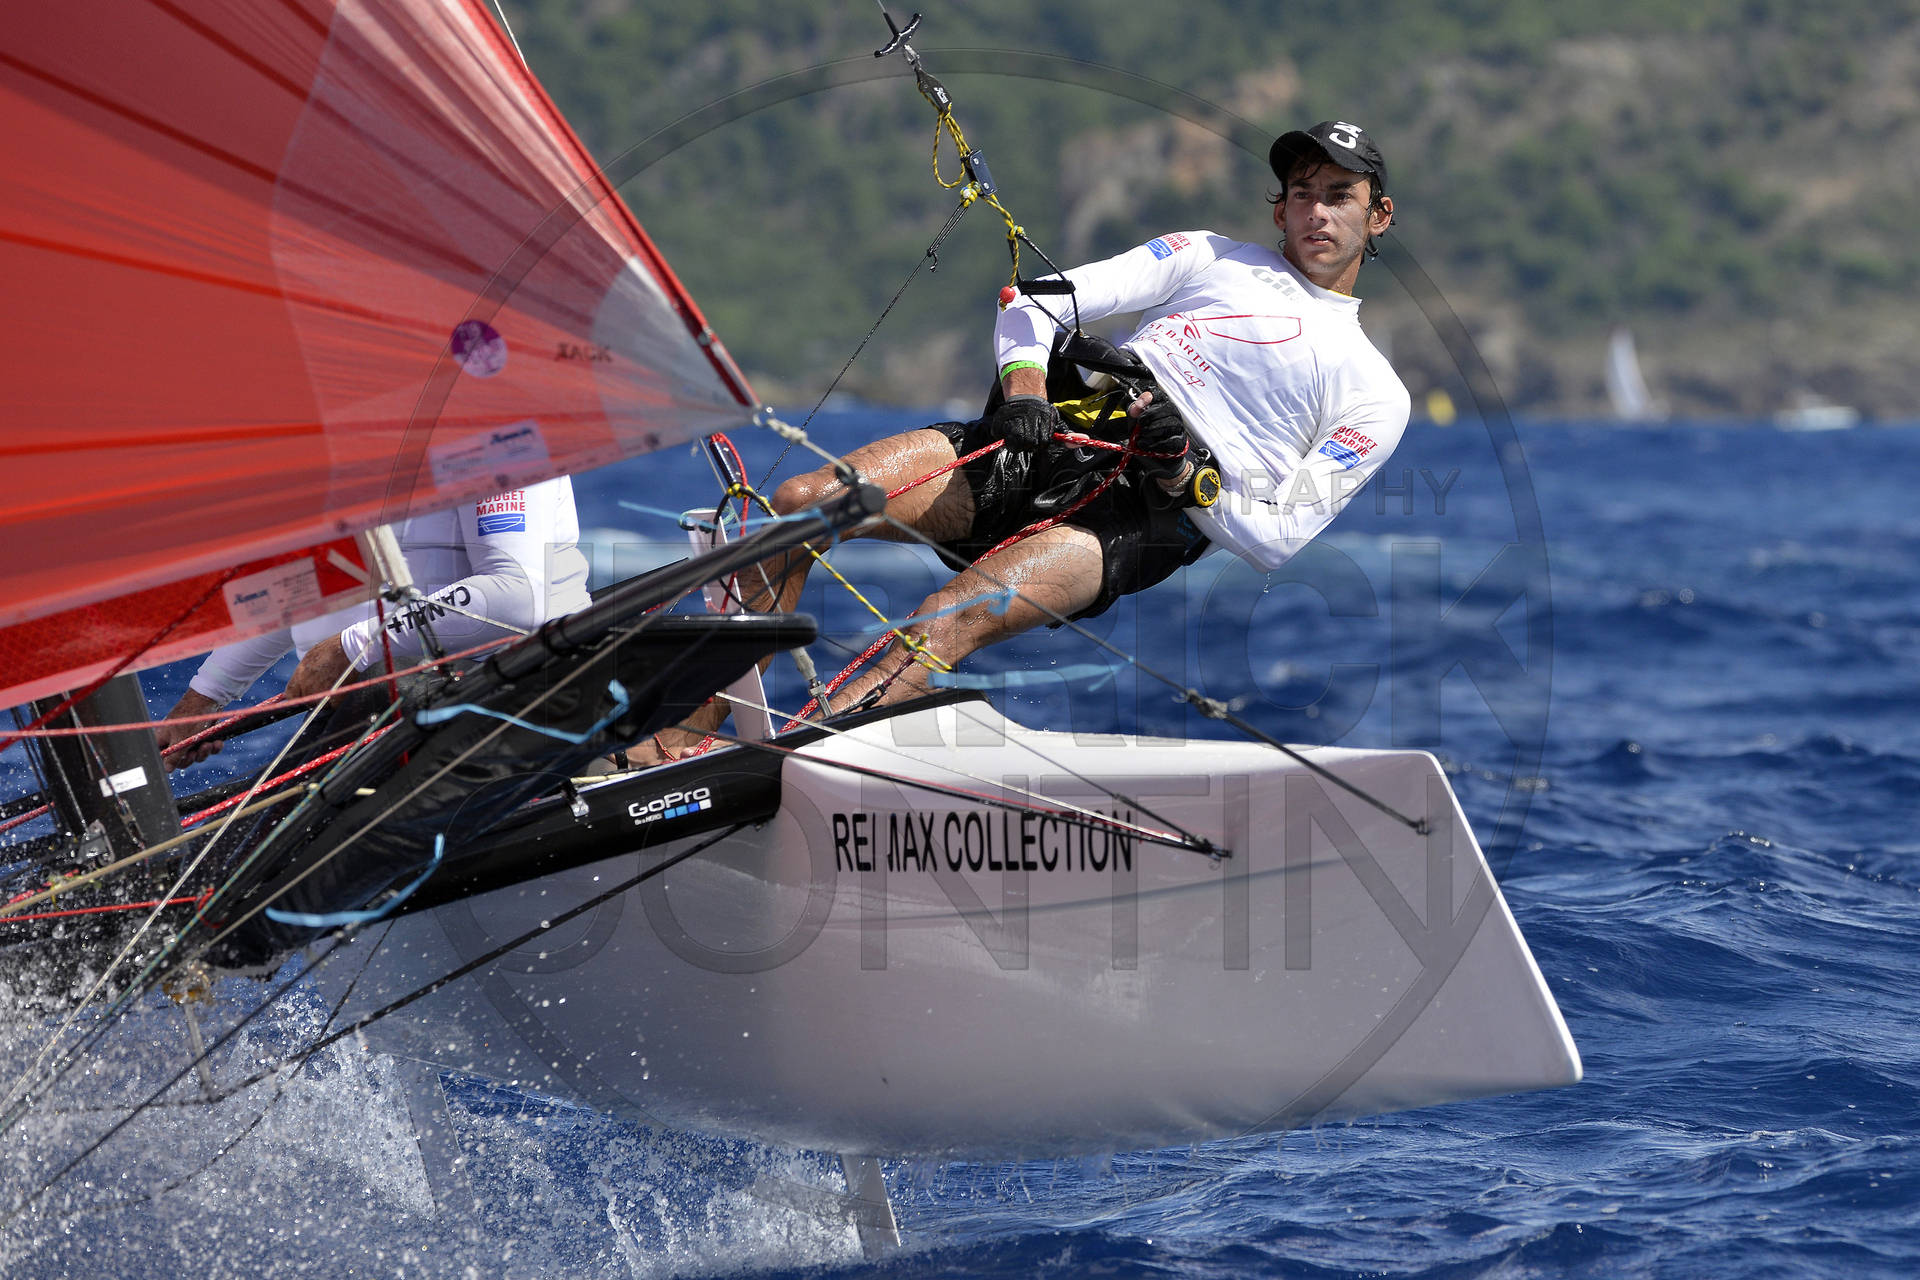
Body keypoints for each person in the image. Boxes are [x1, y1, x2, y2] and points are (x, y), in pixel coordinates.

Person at [645, 120, 1409, 760]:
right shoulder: (1205, 255)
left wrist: (1182, 470)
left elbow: (1277, 538)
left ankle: (785, 765)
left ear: (1378, 215)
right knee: (800, 504)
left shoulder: (1375, 392)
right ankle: (673, 747)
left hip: (1142, 519)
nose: (1317, 212)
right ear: (1280, 209)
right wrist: (1026, 393)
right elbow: (1033, 303)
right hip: (1045, 440)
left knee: (947, 617)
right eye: (1302, 193)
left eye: (1339, 196)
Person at [155, 478, 592, 766]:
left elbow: (515, 596)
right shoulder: (348, 441)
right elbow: (302, 586)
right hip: (366, 719)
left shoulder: (492, 433)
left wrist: (350, 647)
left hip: (503, 708)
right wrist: (203, 698)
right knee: (223, 859)